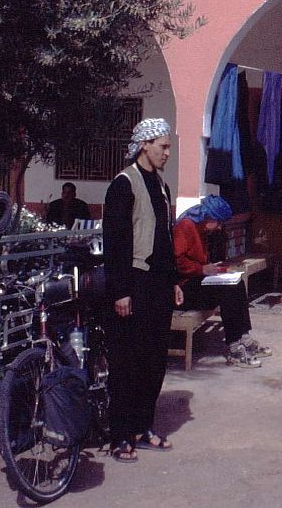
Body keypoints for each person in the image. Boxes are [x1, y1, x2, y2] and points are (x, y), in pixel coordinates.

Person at [102, 118, 184, 463]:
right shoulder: (124, 184)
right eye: (162, 146)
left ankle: (143, 427)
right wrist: (120, 291)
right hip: (133, 284)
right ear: (144, 145)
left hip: (159, 285)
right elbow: (115, 242)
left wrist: (176, 281)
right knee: (126, 363)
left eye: (168, 146)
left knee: (153, 361)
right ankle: (120, 435)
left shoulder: (160, 185)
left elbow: (165, 238)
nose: (167, 152)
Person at [173, 195, 272, 368]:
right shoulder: (186, 226)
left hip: (196, 281)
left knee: (237, 283)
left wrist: (211, 268)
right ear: (209, 217)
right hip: (182, 289)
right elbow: (176, 261)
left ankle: (245, 338)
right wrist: (201, 269)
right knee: (227, 291)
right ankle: (234, 347)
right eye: (218, 223)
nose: (219, 227)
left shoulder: (202, 228)